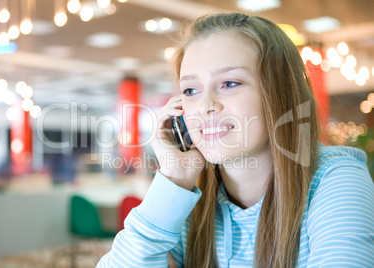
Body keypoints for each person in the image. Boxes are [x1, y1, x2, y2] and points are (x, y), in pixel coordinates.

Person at [97, 13, 374, 267]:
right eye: (191, 90)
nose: (205, 105)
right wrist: (173, 180)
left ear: (280, 94)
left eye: (230, 83)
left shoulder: (335, 179)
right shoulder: (186, 198)